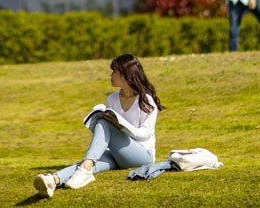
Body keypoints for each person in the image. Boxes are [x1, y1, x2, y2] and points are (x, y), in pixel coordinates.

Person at [33, 54, 165, 198]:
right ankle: (54, 180)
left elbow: (145, 134)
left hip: (142, 156)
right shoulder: (112, 99)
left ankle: (84, 169)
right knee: (88, 162)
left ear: (126, 75)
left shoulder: (146, 100)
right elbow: (106, 135)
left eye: (114, 71)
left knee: (104, 125)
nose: (111, 75)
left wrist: (120, 125)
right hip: (118, 153)